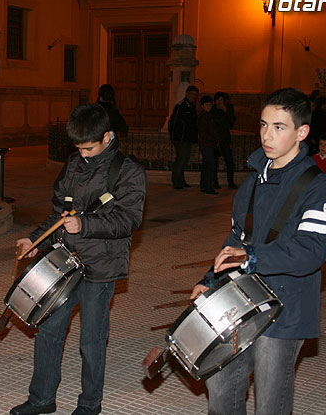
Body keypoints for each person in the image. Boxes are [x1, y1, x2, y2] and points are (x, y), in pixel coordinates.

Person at [191, 88, 326, 414]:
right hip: (242, 301)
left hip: (286, 308)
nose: (266, 136)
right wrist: (211, 280)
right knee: (222, 385)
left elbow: (313, 250)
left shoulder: (318, 187)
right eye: (262, 125)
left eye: (279, 127)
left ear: (302, 132)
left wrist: (254, 258)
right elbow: (237, 237)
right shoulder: (253, 182)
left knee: (270, 401)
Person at [10, 104, 146, 415]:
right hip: (63, 261)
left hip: (100, 266)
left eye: (89, 147)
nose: (83, 154)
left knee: (91, 339)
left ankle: (89, 404)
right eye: (78, 148)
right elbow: (59, 215)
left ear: (107, 137)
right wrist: (35, 239)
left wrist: (85, 225)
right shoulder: (73, 164)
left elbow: (128, 220)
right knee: (48, 330)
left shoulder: (128, 171)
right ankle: (41, 399)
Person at [168, 85, 199, 189]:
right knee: (181, 159)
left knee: (184, 159)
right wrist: (174, 136)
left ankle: (181, 180)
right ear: (187, 94)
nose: (193, 97)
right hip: (180, 138)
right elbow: (173, 122)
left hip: (188, 138)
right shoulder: (180, 106)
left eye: (195, 95)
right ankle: (177, 181)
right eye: (192, 94)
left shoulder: (193, 107)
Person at [212, 91, 238, 189]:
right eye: (218, 100)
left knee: (229, 162)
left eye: (221, 100)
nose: (219, 102)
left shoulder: (228, 109)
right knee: (214, 163)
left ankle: (231, 182)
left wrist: (225, 110)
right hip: (215, 139)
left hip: (225, 139)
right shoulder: (213, 109)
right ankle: (215, 182)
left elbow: (231, 122)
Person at [197, 95, 219, 194]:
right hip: (206, 144)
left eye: (210, 105)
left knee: (207, 165)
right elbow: (204, 132)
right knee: (209, 165)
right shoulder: (203, 117)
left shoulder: (210, 116)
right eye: (207, 105)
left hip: (210, 143)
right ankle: (208, 186)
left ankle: (205, 185)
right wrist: (213, 139)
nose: (209, 107)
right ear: (202, 106)